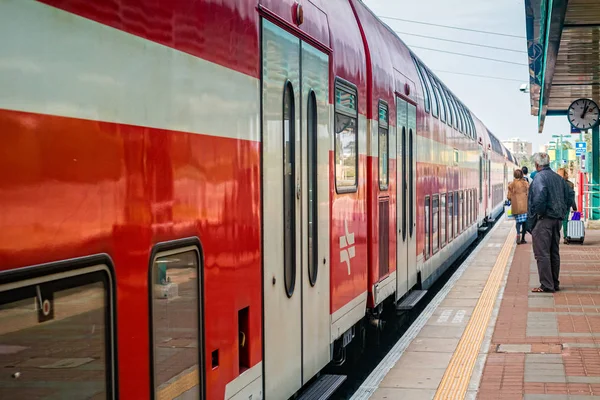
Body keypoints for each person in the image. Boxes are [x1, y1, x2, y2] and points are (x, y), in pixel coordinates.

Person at [528, 153, 570, 293]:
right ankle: (554, 283)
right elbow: (568, 196)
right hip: (557, 220)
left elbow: (539, 200)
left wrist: (536, 217)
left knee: (542, 253)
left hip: (543, 220)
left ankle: (546, 285)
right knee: (554, 252)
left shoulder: (539, 178)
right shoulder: (558, 178)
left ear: (536, 165)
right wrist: (562, 213)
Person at [507, 169, 529, 244]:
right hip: (524, 206)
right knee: (524, 223)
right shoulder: (525, 184)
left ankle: (518, 236)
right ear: (522, 175)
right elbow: (529, 194)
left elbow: (509, 197)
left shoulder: (511, 184)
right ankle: (523, 238)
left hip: (516, 207)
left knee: (518, 223)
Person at [556, 168, 577, 243]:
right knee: (565, 221)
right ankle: (565, 237)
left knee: (557, 221)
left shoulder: (555, 184)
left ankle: (556, 238)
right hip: (566, 205)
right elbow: (572, 197)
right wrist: (574, 207)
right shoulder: (570, 184)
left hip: (557, 206)